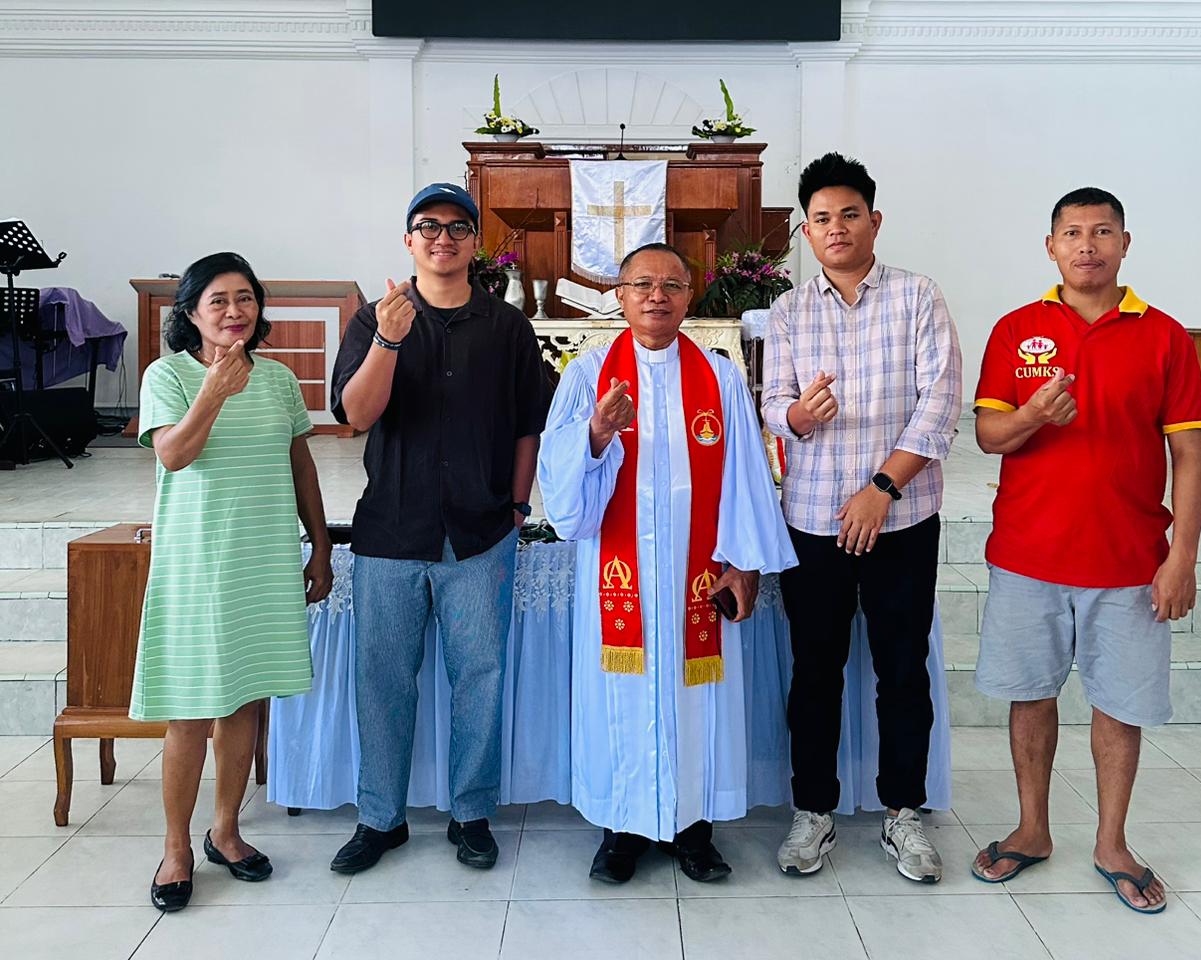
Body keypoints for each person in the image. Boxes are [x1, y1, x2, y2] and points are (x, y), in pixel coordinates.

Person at [969, 188, 1201, 915]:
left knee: (1119, 705)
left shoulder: (1164, 336)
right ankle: (1032, 829)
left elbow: (1191, 455)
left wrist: (1182, 557)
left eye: (1102, 232)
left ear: (1124, 243)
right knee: (1030, 695)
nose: (1087, 245)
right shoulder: (1017, 329)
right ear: (1050, 247)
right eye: (1072, 232)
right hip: (1028, 554)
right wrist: (1033, 415)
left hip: (1129, 560)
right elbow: (988, 437)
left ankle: (1112, 842)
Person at [538, 242, 797, 884]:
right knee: (619, 697)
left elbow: (745, 474)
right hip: (618, 577)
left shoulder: (719, 378)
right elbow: (560, 487)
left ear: (689, 296)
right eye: (642, 284)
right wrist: (596, 434)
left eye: (672, 285)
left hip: (696, 575)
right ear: (620, 296)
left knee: (697, 698)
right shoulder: (587, 375)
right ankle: (620, 831)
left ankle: (694, 828)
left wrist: (744, 563)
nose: (657, 296)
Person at [328, 183, 548, 875]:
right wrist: (389, 340)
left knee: (479, 675)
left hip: (481, 532)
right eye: (428, 226)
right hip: (392, 530)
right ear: (408, 240)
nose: (443, 238)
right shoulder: (374, 319)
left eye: (457, 227)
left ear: (475, 242)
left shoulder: (506, 327)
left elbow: (528, 424)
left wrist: (516, 507)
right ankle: (380, 818)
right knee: (382, 678)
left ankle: (471, 812)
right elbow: (356, 415)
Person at [762, 153, 962, 882]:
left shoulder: (917, 296)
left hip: (901, 519)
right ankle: (812, 811)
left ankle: (903, 811)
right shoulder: (789, 311)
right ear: (806, 232)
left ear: (874, 221)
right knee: (815, 671)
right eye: (821, 218)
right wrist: (798, 415)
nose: (836, 228)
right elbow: (771, 407)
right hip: (815, 521)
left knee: (902, 670)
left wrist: (882, 488)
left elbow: (940, 404)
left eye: (849, 214)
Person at [132, 252, 332, 912]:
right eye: (218, 300)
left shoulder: (278, 379)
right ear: (191, 313)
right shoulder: (167, 375)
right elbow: (174, 454)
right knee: (190, 710)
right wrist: (214, 391)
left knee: (244, 702)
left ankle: (225, 831)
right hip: (197, 563)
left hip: (263, 559)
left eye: (245, 298)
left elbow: (301, 465)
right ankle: (176, 848)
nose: (234, 311)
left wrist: (320, 545)